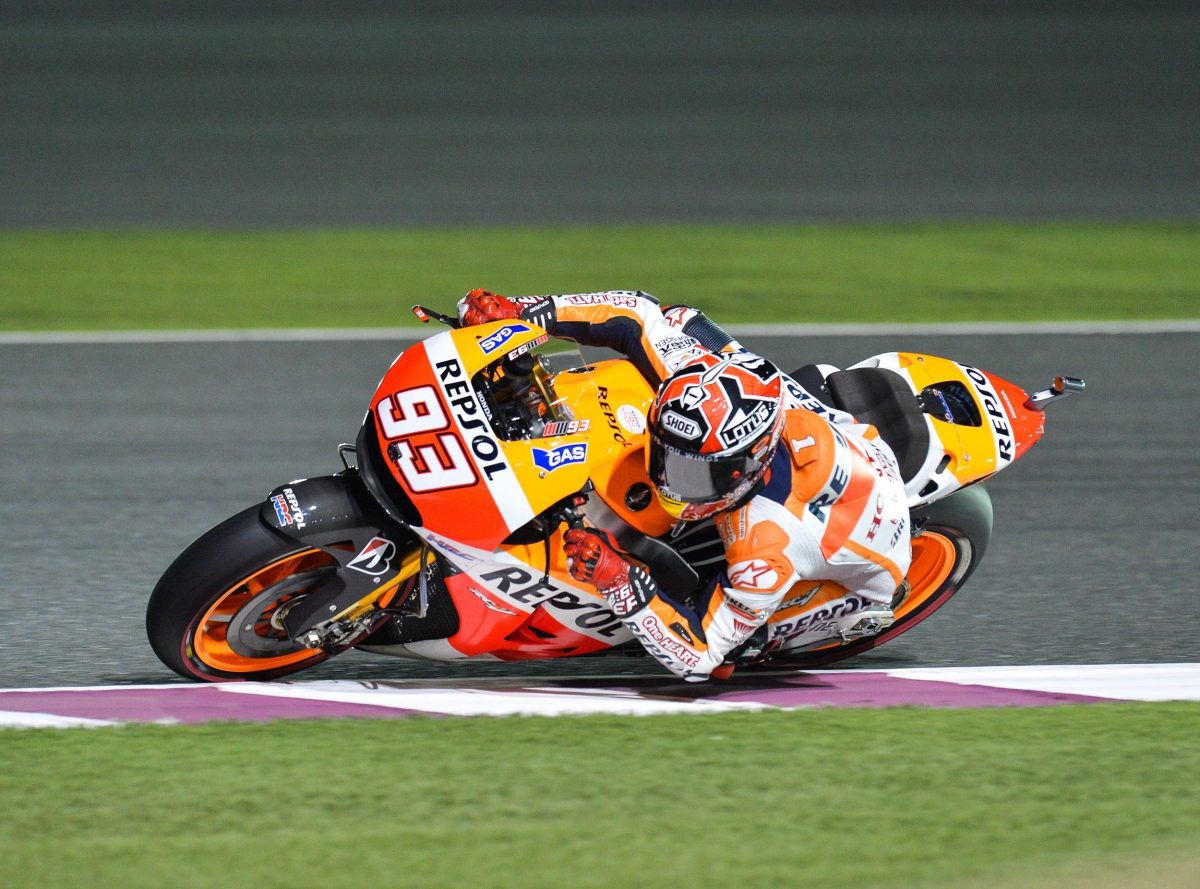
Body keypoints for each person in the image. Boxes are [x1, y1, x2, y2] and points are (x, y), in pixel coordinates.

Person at [457, 288, 911, 681]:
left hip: (862, 555)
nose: (669, 482)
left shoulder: (767, 544)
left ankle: (792, 628)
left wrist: (619, 581)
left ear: (746, 468)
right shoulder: (702, 377)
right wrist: (527, 311)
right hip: (831, 436)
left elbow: (698, 656)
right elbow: (636, 312)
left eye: (693, 474)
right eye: (667, 455)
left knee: (732, 653)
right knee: (680, 320)